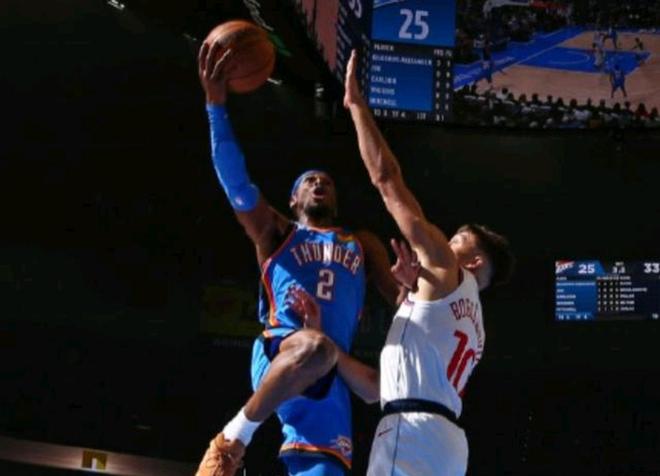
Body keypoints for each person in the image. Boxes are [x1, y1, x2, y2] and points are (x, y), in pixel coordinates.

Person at [194, 42, 416, 476]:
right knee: (314, 347)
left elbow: (405, 305)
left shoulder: (362, 243)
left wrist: (410, 290)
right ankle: (233, 439)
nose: (319, 184)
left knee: (327, 467)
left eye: (326, 182)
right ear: (293, 199)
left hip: (332, 367)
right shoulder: (278, 232)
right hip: (283, 347)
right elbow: (236, 182)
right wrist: (215, 105)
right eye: (309, 181)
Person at [338, 50, 514, 475]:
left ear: (473, 260)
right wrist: (407, 296)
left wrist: (357, 107)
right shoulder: (475, 325)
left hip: (412, 430)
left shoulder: (446, 267)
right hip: (446, 443)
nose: (444, 241)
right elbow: (421, 351)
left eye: (456, 239)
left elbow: (387, 181)